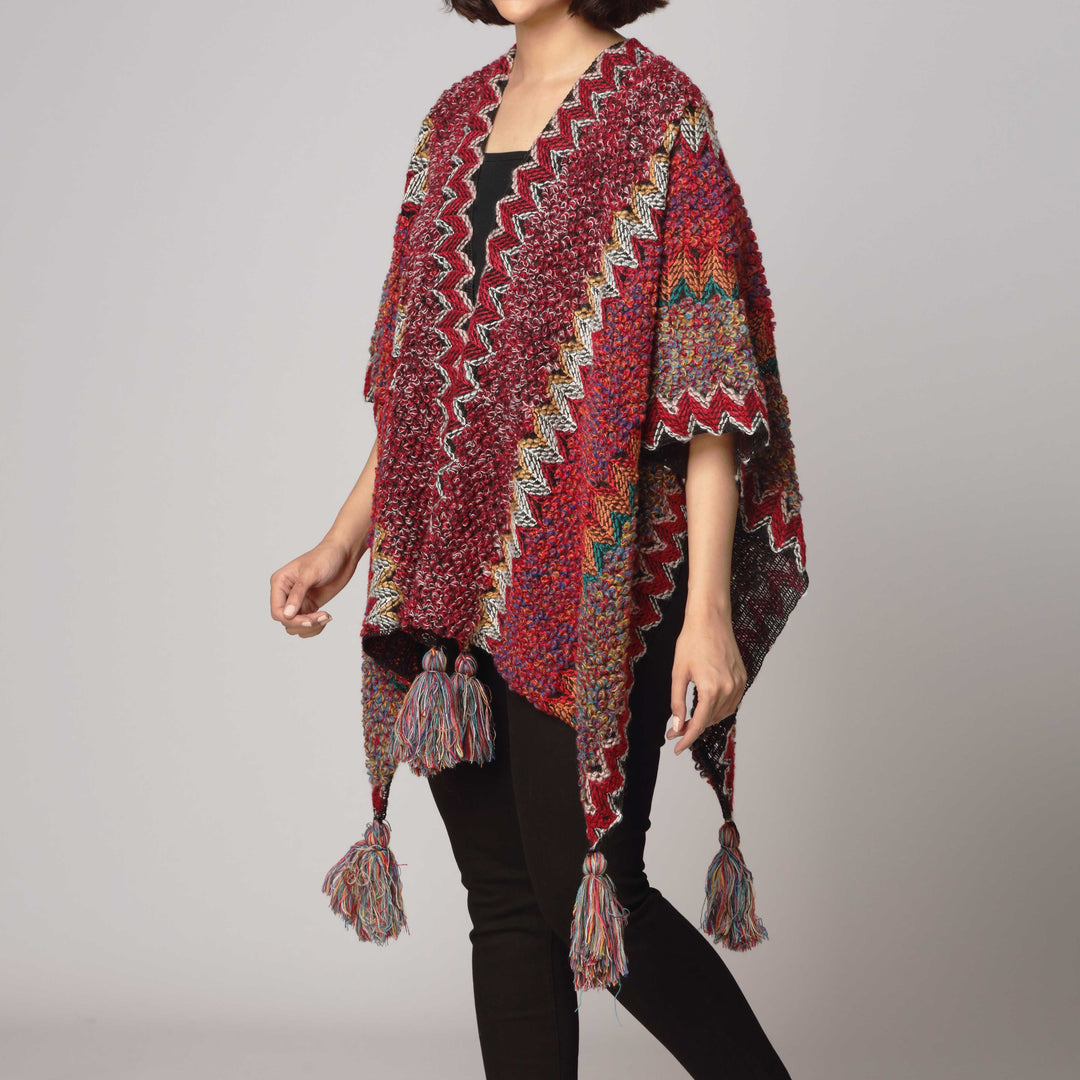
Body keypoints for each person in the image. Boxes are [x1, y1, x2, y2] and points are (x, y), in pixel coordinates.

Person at [270, 2, 808, 1076]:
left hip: (601, 571)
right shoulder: (449, 125)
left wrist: (708, 615)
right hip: (447, 571)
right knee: (506, 902)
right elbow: (422, 396)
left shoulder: (660, 118)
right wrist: (339, 546)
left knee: (594, 888)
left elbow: (708, 392)